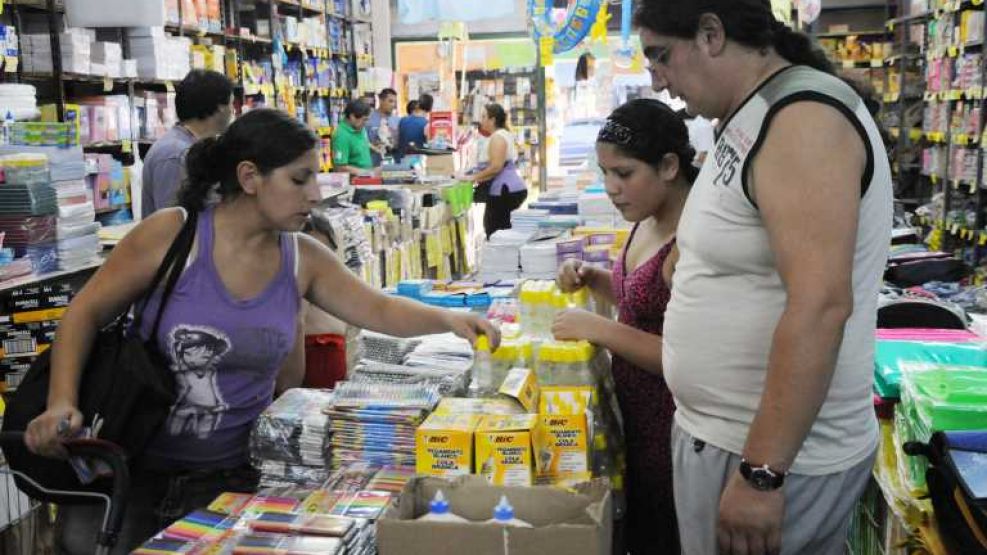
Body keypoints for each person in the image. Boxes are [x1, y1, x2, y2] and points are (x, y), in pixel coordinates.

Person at [24, 108, 500, 553]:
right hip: (130, 474)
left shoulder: (302, 258)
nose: (315, 194)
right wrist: (61, 402)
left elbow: (377, 308)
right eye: (299, 179)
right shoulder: (173, 236)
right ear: (249, 177)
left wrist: (449, 319)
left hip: (231, 482)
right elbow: (83, 314)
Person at [635, 1, 893, 554]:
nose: (657, 79)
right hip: (729, 441)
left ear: (711, 34)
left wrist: (762, 473)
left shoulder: (803, 119)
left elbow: (821, 305)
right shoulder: (748, 113)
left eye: (661, 55)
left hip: (772, 457)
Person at [553, 99, 698, 554]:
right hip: (633, 419)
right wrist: (593, 279)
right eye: (605, 174)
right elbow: (645, 303)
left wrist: (597, 329)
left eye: (625, 173)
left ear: (669, 166)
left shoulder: (692, 240)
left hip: (670, 430)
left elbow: (684, 357)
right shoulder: (649, 217)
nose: (612, 188)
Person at [141, 69, 233, 219]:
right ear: (218, 107)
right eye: (230, 103)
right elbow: (171, 224)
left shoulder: (197, 147)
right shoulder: (174, 154)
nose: (232, 110)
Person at [464, 103, 526, 238]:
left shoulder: (498, 137)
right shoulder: (501, 135)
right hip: (508, 188)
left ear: (492, 120)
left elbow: (496, 167)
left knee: (495, 231)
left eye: (484, 116)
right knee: (499, 229)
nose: (481, 120)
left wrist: (472, 178)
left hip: (504, 190)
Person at [331, 99, 374, 175]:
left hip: (365, 179)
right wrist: (366, 173)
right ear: (352, 117)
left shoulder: (359, 128)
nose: (366, 123)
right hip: (353, 184)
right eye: (364, 120)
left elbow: (360, 144)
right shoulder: (341, 135)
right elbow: (340, 167)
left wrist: (375, 148)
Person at [366, 88, 400, 167]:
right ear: (381, 100)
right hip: (373, 165)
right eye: (390, 101)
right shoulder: (368, 119)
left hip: (392, 166)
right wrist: (374, 146)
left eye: (395, 102)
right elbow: (362, 142)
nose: (393, 105)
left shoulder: (397, 120)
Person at [397, 93, 433, 161]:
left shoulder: (402, 120)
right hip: (417, 162)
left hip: (401, 160)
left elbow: (397, 140)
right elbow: (430, 145)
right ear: (430, 109)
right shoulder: (426, 124)